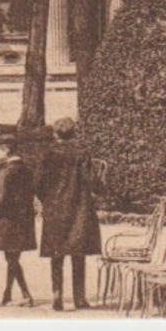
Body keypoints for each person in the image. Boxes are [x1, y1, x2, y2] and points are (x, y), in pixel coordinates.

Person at [35, 117, 101, 311]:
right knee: (78, 253)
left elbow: (38, 183)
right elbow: (91, 180)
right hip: (79, 207)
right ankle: (79, 298)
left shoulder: (47, 154)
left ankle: (57, 295)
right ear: (74, 133)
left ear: (55, 134)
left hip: (55, 209)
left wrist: (47, 199)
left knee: (57, 254)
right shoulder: (81, 154)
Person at [0, 135, 36, 306]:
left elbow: (0, 199)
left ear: (6, 150)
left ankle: (26, 294)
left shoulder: (6, 171)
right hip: (25, 219)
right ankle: (7, 293)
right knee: (13, 257)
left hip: (8, 220)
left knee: (11, 258)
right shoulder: (27, 169)